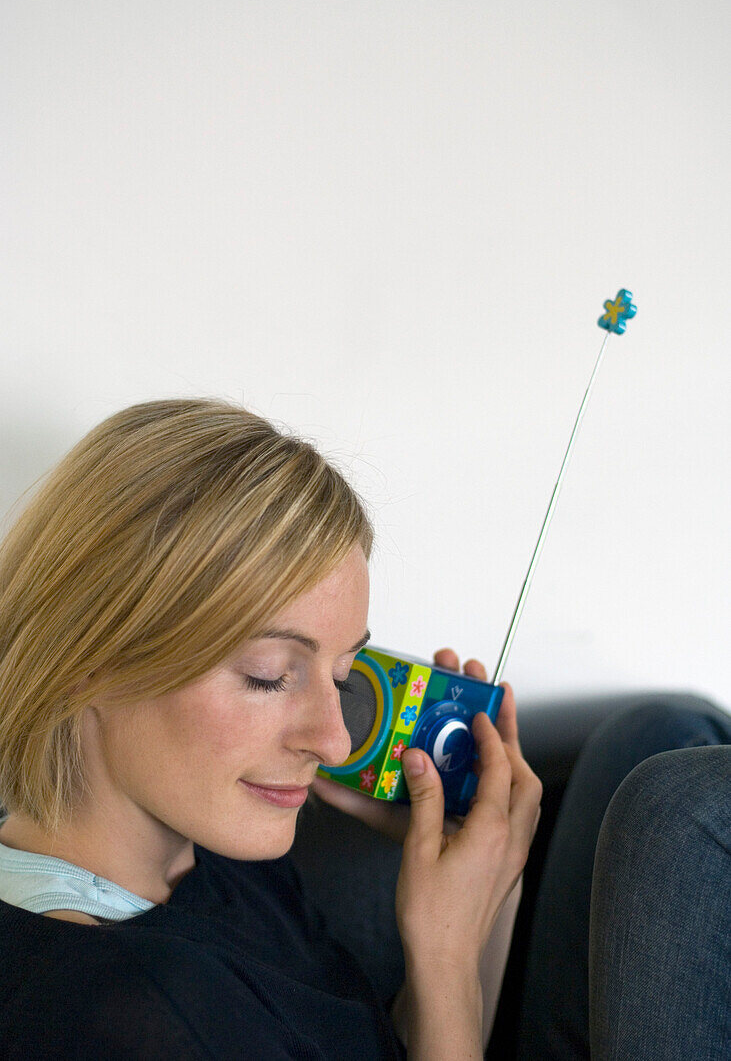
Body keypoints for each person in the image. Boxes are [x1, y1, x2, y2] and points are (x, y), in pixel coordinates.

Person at [0, 397, 728, 1059]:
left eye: (344, 676)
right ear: (88, 661)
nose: (334, 741)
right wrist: (441, 964)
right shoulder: (137, 1013)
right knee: (686, 805)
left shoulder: (203, 842)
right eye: (268, 673)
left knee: (657, 731)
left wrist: (481, 881)